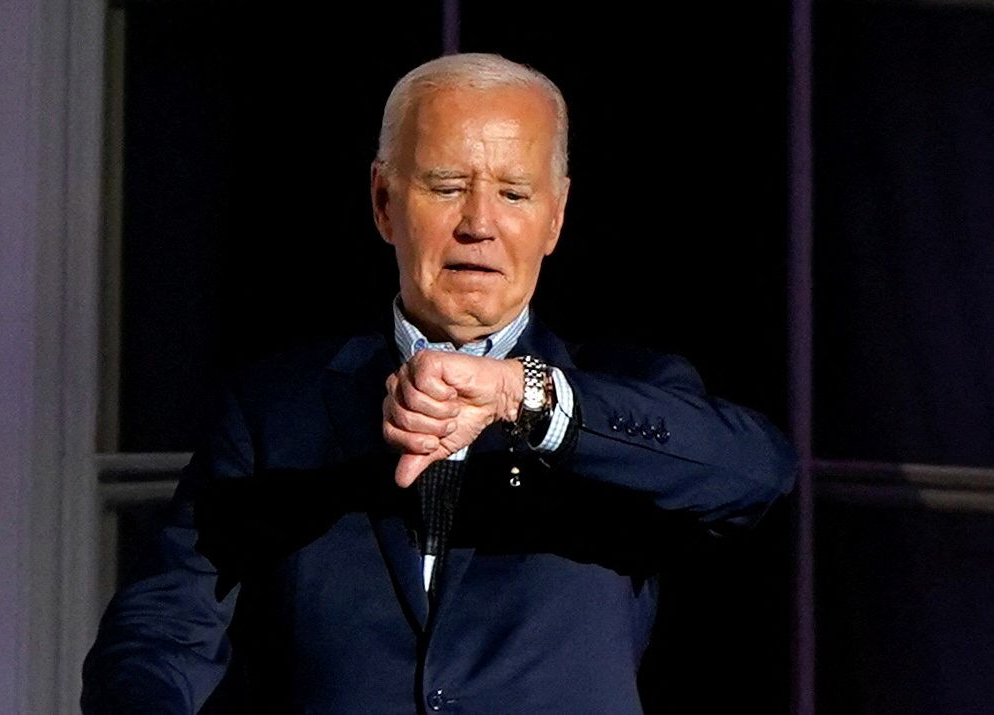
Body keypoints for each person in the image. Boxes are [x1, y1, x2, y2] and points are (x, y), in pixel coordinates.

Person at [82, 53, 796, 714]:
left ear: (556, 216)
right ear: (383, 202)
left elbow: (756, 469)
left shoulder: (630, 390)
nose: (478, 224)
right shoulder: (276, 408)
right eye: (447, 187)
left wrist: (522, 396)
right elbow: (164, 625)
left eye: (514, 193)